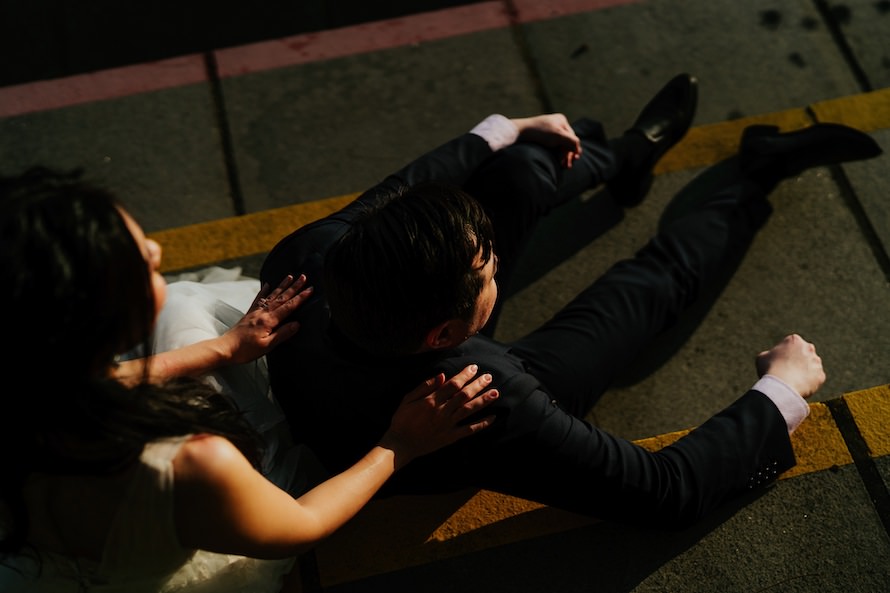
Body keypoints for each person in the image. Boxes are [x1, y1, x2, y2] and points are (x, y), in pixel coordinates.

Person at [258, 73, 883, 529]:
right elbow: (665, 490)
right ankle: (754, 178)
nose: (498, 262)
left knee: (519, 171)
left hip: (361, 364)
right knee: (648, 287)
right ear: (446, 333)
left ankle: (628, 154)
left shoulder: (314, 254)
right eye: (489, 271)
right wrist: (781, 390)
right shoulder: (488, 398)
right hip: (442, 419)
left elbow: (408, 185)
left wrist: (507, 128)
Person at [0, 166, 499, 593]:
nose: (155, 247)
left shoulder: (30, 380)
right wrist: (399, 443)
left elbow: (109, 378)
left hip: (38, 541)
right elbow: (301, 524)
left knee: (179, 310)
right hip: (162, 539)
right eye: (147, 264)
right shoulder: (190, 463)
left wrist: (224, 348)